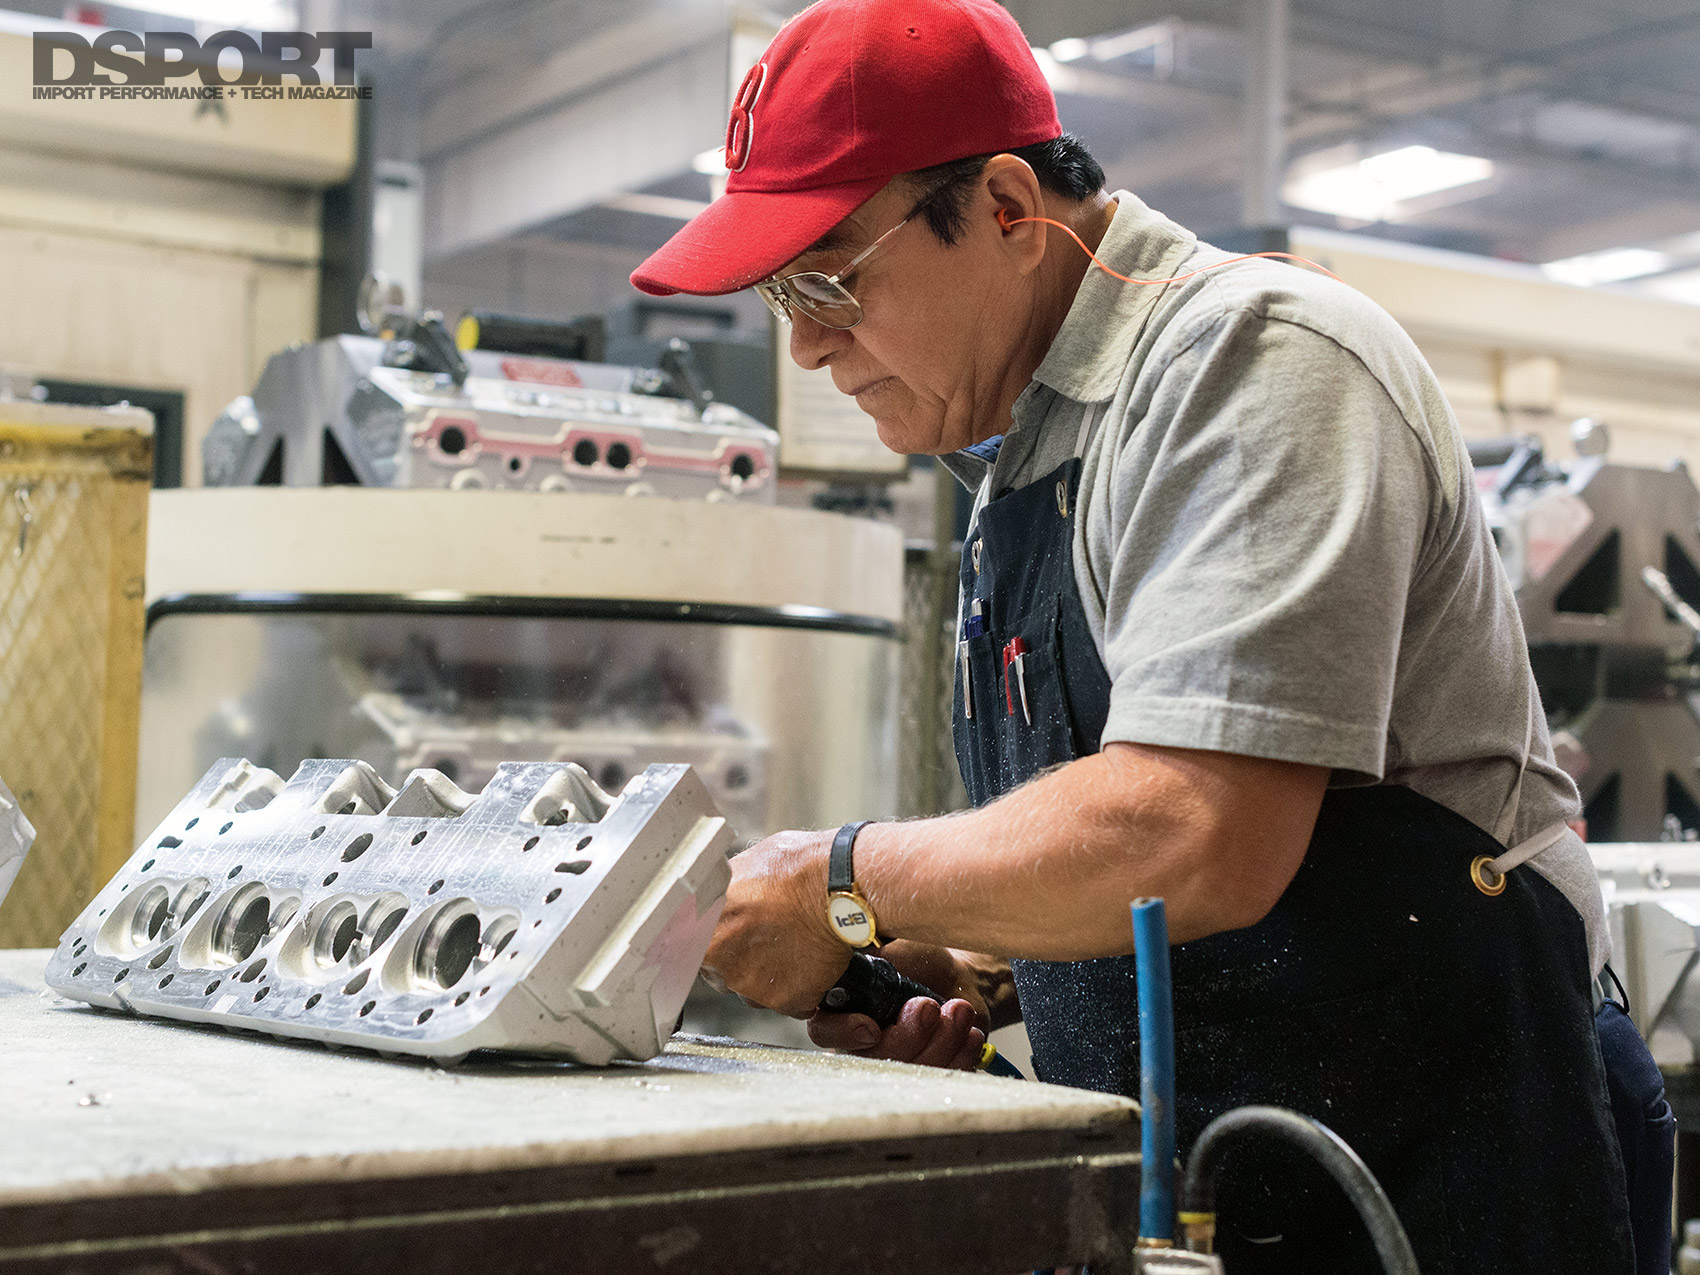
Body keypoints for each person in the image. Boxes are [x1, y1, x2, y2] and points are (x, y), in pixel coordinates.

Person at [632, 1, 1663, 1270]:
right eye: (780, 294)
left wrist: (838, 881)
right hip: (1221, 1179)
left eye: (829, 280)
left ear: (1005, 207)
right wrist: (976, 964)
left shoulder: (1254, 361)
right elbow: (1118, 837)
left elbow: (1196, 827)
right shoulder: (1024, 456)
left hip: (1448, 1156)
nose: (801, 344)